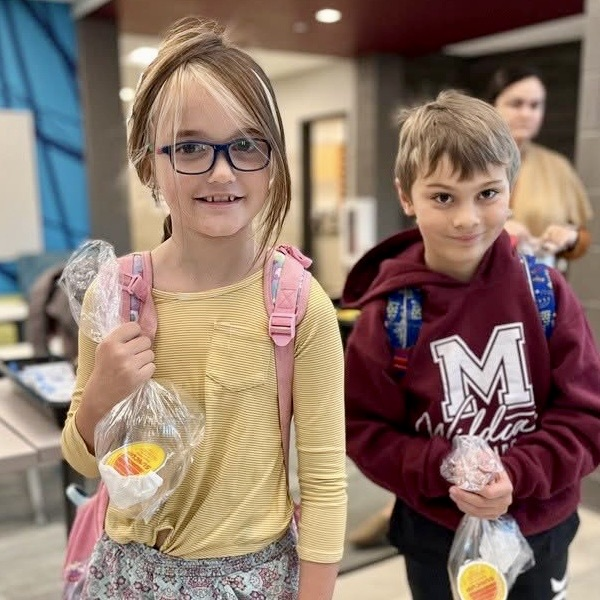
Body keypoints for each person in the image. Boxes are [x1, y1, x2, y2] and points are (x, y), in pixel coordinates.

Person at [60, 17, 347, 600]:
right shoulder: (116, 297)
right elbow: (85, 462)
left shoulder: (296, 301)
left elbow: (322, 483)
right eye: (190, 147)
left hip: (255, 579)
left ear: (273, 162)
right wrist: (100, 395)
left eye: (245, 145)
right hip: (128, 577)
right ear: (149, 164)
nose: (221, 171)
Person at [343, 90, 600, 599]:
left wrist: (518, 473)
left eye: (487, 194)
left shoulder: (545, 294)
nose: (466, 219)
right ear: (405, 195)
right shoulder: (392, 313)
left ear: (512, 189)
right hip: (434, 535)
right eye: (442, 197)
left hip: (539, 526)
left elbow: (586, 418)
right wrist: (443, 469)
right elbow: (364, 431)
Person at [487, 66, 593, 269]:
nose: (526, 114)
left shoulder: (557, 166)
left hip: (539, 286)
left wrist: (570, 238)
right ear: (492, 106)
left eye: (535, 105)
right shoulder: (468, 160)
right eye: (516, 104)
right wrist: (498, 234)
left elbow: (582, 237)